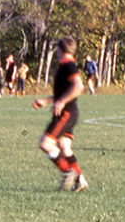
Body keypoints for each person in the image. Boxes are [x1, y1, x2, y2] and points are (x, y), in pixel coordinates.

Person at [34, 37, 87, 193]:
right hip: (69, 111)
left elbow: (79, 86)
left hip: (66, 113)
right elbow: (65, 92)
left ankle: (68, 172)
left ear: (59, 49)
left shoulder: (67, 65)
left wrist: (62, 102)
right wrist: (47, 101)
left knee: (45, 144)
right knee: (64, 147)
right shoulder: (66, 66)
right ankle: (81, 181)